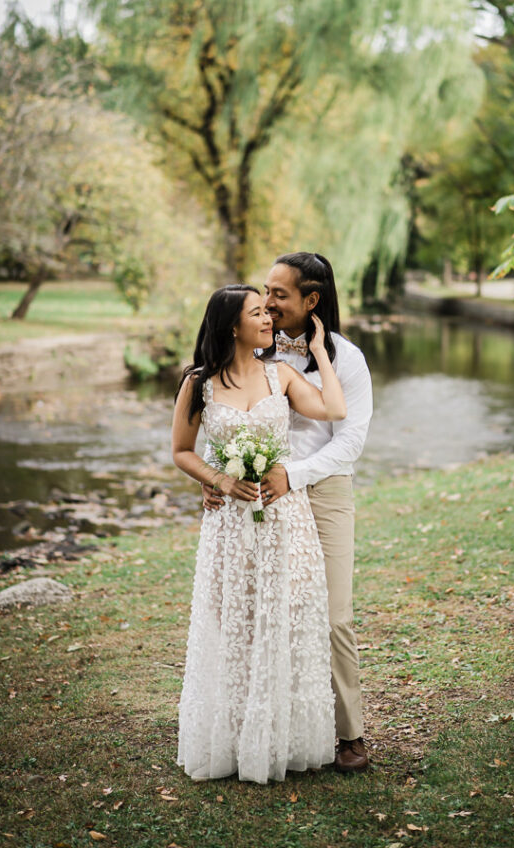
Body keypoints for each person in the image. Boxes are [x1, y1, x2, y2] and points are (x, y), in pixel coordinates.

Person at [203, 254, 373, 773]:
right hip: (255, 497)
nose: (269, 304)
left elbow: (351, 440)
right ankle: (268, 727)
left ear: (311, 301)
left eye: (279, 294)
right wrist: (217, 478)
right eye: (265, 294)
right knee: (262, 612)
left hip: (320, 491)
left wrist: (291, 476)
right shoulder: (253, 350)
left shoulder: (345, 359)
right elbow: (224, 417)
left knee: (333, 616)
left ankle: (348, 734)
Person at [171, 284, 346, 784]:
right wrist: (219, 479)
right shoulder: (198, 383)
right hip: (229, 525)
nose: (269, 318)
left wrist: (318, 352)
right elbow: (182, 451)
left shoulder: (282, 375)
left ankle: (283, 738)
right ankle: (233, 737)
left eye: (269, 311)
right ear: (231, 325)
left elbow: (334, 410)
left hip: (285, 520)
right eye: (258, 313)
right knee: (235, 622)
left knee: (284, 621)